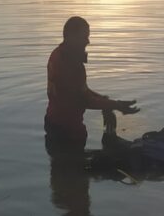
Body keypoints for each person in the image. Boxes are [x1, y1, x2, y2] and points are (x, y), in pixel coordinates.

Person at [44, 16, 138, 149]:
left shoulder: (57, 54)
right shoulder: (69, 64)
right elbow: (83, 100)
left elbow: (82, 90)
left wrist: (106, 102)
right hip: (66, 132)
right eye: (84, 37)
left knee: (62, 167)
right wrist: (115, 105)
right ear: (71, 37)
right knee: (73, 167)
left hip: (54, 124)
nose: (88, 41)